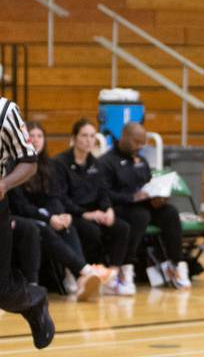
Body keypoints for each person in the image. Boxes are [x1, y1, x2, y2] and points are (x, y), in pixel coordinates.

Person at [8, 122, 106, 301]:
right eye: (32, 136)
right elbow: (19, 204)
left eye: (40, 136)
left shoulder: (48, 165)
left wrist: (60, 214)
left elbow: (55, 196)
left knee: (68, 225)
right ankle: (85, 270)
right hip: (22, 216)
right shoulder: (14, 165)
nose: (36, 140)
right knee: (42, 228)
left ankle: (80, 280)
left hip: (45, 215)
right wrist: (48, 217)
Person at [97, 122, 190, 290]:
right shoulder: (106, 162)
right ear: (124, 137)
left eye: (143, 142)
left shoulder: (142, 160)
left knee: (170, 212)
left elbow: (148, 185)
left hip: (143, 205)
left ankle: (176, 264)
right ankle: (126, 268)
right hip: (120, 207)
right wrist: (132, 197)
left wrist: (158, 197)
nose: (140, 146)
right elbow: (105, 194)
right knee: (141, 215)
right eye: (137, 142)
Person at [53, 118, 131, 296]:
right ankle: (75, 271)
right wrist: (85, 214)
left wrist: (108, 209)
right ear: (74, 138)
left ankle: (111, 277)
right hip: (74, 214)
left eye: (92, 136)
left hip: (95, 213)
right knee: (91, 232)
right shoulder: (60, 163)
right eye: (84, 136)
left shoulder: (96, 163)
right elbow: (61, 197)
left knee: (122, 228)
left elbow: (103, 192)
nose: (89, 140)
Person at [0, 97, 54, 349]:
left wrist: (4, 184)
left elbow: (29, 161)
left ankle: (34, 300)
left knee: (2, 291)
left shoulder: (5, 111)